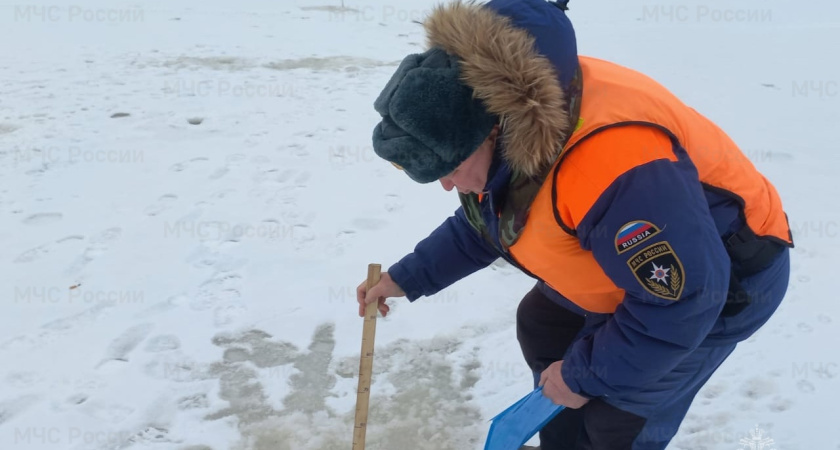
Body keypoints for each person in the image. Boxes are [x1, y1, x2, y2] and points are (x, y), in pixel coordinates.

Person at [355, 0, 793, 448]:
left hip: (722, 284)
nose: (448, 185)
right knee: (544, 324)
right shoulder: (502, 120)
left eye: (448, 168)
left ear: (489, 133)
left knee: (614, 418)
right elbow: (487, 221)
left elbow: (684, 300)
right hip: (640, 262)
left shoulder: (614, 166)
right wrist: (405, 278)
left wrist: (583, 377)